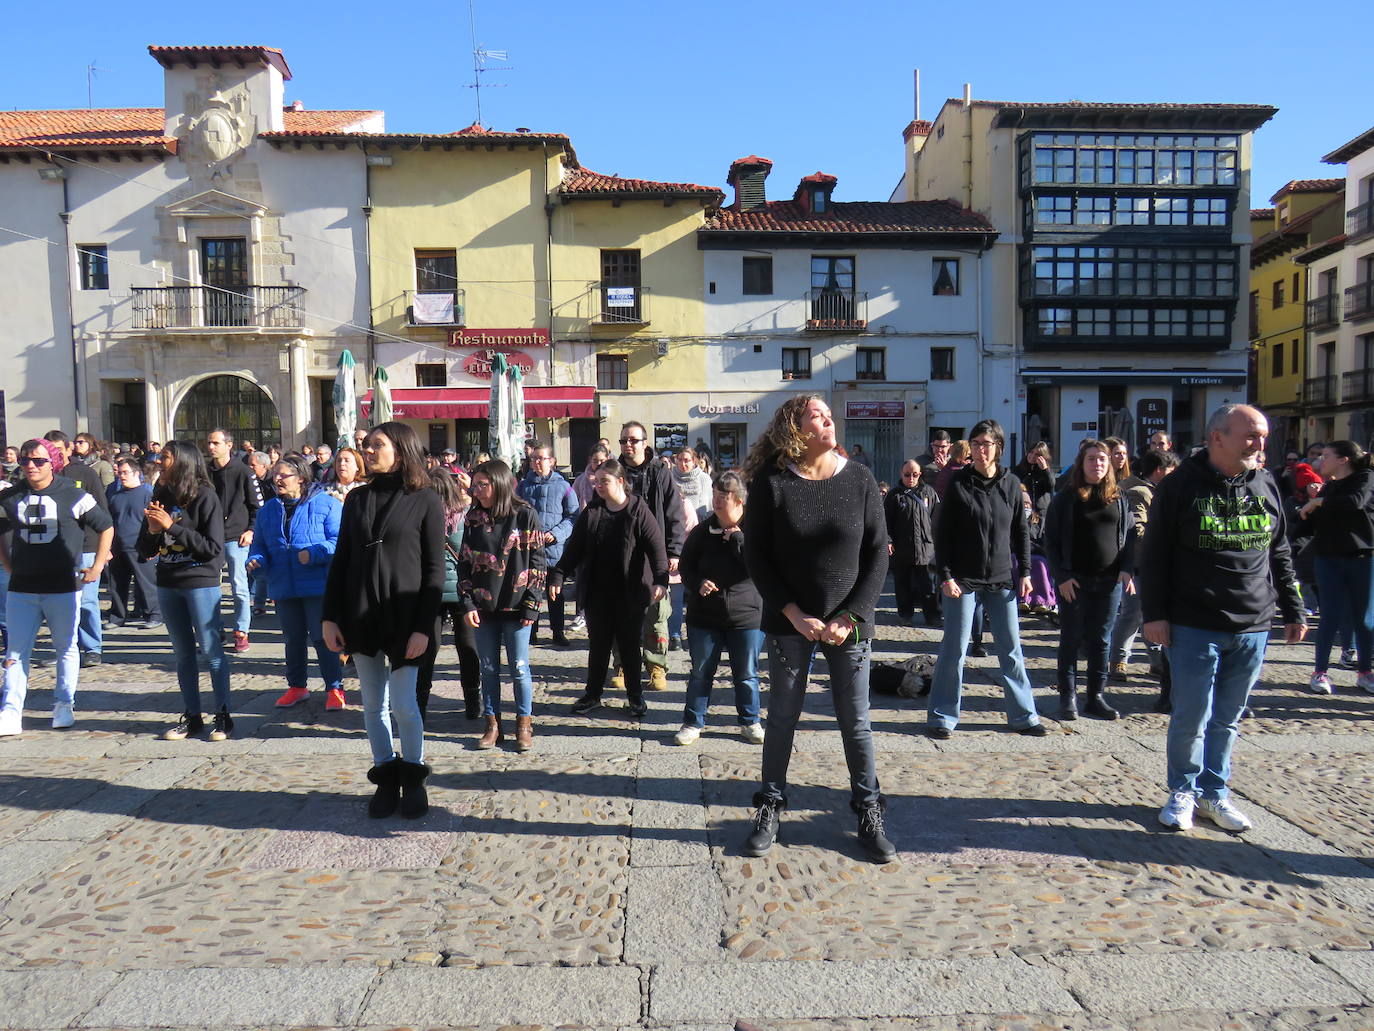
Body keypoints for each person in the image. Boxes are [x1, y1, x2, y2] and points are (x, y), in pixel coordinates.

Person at [740, 395, 894, 863]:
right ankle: (769, 805)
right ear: (796, 429)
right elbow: (756, 556)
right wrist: (791, 612)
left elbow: (877, 552)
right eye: (817, 416)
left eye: (829, 415)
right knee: (782, 718)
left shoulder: (860, 479)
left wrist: (850, 617)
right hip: (791, 623)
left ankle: (869, 810)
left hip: (849, 624)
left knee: (856, 721)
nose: (828, 420)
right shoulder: (773, 484)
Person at [1141, 404, 1305, 833]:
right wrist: (1154, 615)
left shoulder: (1266, 482)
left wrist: (1293, 606)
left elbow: (1280, 551)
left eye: (1263, 436)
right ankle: (1183, 790)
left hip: (1253, 624)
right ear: (1218, 436)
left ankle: (1215, 794)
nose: (1260, 444)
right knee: (1191, 716)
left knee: (1228, 718)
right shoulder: (1179, 487)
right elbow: (1154, 556)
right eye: (1250, 435)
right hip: (1195, 622)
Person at [322, 422, 444, 820]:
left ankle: (414, 777)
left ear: (400, 449)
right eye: (367, 446)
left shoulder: (426, 499)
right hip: (361, 614)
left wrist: (424, 627)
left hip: (408, 618)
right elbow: (341, 562)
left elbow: (434, 570)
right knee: (373, 704)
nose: (368, 451)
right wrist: (329, 617)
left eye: (377, 445)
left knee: (405, 704)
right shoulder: (356, 498)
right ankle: (387, 776)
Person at [925, 419, 1047, 739]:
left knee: (1011, 650)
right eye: (976, 443)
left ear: (999, 448)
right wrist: (946, 575)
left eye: (987, 443)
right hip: (962, 578)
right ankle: (943, 716)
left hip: (1002, 577)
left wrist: (1026, 573)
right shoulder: (958, 483)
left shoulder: (1011, 484)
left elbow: (1021, 530)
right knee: (955, 648)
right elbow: (943, 533)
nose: (981, 449)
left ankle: (1023, 715)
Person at [0, 439, 113, 737]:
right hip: (22, 587)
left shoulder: (73, 493)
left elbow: (105, 525)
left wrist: (98, 565)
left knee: (65, 647)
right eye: (25, 461)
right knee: (15, 649)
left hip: (64, 585)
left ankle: (64, 703)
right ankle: (10, 710)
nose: (31, 466)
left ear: (52, 462)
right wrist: (8, 564)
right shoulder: (10, 496)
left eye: (38, 461)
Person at [548, 460, 667, 719]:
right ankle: (593, 694)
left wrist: (661, 579)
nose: (599, 486)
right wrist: (558, 575)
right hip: (597, 593)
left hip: (631, 592)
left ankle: (635, 697)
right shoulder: (592, 511)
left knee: (628, 646)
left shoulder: (637, 509)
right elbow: (574, 549)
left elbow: (656, 547)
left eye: (605, 481)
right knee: (599, 646)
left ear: (620, 481)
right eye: (596, 481)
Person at [137, 442, 232, 741]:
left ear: (182, 463)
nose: (158, 462)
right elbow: (144, 549)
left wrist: (172, 527)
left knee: (211, 650)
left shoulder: (205, 496)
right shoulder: (159, 496)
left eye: (164, 457)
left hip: (200, 580)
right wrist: (154, 532)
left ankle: (223, 715)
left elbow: (213, 550)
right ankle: (192, 717)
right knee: (182, 654)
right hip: (167, 580)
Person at [1043, 440, 1136, 721]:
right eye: (1092, 459)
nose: (1097, 463)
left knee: (1101, 641)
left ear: (1109, 465)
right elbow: (1052, 542)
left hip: (1109, 581)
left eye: (1102, 459)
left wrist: (1127, 568)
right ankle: (1068, 697)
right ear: (1081, 464)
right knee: (1071, 639)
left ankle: (1096, 696)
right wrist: (1062, 577)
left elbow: (1130, 537)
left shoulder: (1120, 497)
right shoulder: (1066, 498)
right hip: (1075, 581)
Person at [247, 455, 347, 712]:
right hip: (283, 585)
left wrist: (314, 552)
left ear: (301, 477)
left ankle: (334, 687)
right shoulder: (268, 510)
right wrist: (256, 560)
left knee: (323, 639)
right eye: (275, 475)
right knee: (292, 639)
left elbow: (340, 541)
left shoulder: (326, 504)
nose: (277, 479)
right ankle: (297, 686)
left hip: (317, 585)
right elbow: (259, 545)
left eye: (283, 475)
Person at [459, 460, 547, 750]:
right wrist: (468, 602)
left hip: (517, 606)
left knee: (519, 668)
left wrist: (533, 603)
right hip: (484, 607)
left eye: (482, 484)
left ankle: (524, 723)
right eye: (475, 484)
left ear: (498, 484)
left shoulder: (524, 515)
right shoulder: (474, 517)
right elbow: (465, 563)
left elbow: (537, 562)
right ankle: (492, 724)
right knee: (488, 669)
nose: (476, 490)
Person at [674, 470, 765, 745]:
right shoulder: (702, 531)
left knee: (747, 673)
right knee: (700, 672)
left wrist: (737, 540)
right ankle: (692, 722)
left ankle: (750, 721)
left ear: (739, 501)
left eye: (723, 496)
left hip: (747, 616)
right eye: (715, 495)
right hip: (705, 617)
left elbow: (760, 568)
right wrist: (698, 583)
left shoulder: (756, 531)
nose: (717, 501)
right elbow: (686, 568)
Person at [1299, 441, 1374, 694]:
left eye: (1326, 455)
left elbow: (1355, 501)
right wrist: (1307, 508)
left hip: (1362, 557)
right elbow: (1311, 524)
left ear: (1343, 460)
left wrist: (1318, 503)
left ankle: (1365, 671)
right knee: (1329, 615)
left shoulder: (1365, 477)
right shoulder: (1329, 487)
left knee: (1365, 618)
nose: (1320, 460)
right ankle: (1320, 672)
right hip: (1328, 558)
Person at [616, 422, 684, 691]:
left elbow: (673, 513)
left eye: (633, 440)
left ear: (644, 442)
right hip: (621, 553)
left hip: (653, 554)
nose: (628, 445)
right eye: (623, 441)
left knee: (656, 613)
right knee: (621, 613)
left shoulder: (660, 472)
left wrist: (674, 550)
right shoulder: (614, 471)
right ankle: (621, 664)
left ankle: (656, 666)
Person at [415, 466, 481, 723]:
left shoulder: (457, 517)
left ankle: (469, 701)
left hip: (455, 593)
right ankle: (466, 703)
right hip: (440, 593)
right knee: (435, 649)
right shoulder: (463, 517)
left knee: (462, 649)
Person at [1109, 450, 1179, 691]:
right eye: (1171, 472)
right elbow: (1138, 530)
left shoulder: (1151, 489)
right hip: (1140, 563)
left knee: (1153, 613)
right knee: (1133, 613)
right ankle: (1118, 660)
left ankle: (1157, 660)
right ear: (1160, 470)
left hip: (1151, 563)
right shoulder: (1139, 491)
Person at [45, 431, 111, 667]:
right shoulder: (45, 476)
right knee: (59, 602)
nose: (54, 455)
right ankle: (66, 647)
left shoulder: (85, 473)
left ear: (68, 448)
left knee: (86, 601)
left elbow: (103, 511)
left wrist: (107, 549)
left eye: (58, 450)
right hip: (55, 547)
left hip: (86, 546)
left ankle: (93, 648)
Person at [516, 444, 579, 647]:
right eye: (534, 458)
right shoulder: (523, 486)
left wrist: (556, 534)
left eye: (541, 458)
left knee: (555, 592)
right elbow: (514, 512)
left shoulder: (563, 486)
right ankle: (530, 630)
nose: (537, 462)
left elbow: (573, 516)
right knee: (530, 590)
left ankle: (557, 631)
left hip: (553, 549)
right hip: (528, 549)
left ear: (552, 461)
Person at [206, 428, 261, 652]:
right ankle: (214, 630)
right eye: (209, 443)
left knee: (239, 586)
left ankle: (241, 631)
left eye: (215, 443)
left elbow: (257, 506)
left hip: (236, 538)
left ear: (229, 445)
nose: (211, 447)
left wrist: (251, 530)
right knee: (210, 588)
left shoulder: (243, 472)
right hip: (210, 537)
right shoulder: (205, 473)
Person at [104, 457, 160, 630]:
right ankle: (117, 616)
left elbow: (154, 520)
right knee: (117, 584)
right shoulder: (114, 495)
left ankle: (154, 615)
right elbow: (108, 521)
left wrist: (154, 545)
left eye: (125, 472)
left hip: (141, 547)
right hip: (117, 547)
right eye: (119, 472)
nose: (121, 476)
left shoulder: (147, 493)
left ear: (137, 473)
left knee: (146, 583)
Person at [885, 460, 940, 627]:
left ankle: (932, 616)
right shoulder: (894, 495)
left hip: (925, 548)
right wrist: (888, 541)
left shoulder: (929, 493)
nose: (911, 478)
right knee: (903, 585)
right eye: (907, 474)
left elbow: (937, 520)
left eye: (915, 474)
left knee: (928, 586)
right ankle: (905, 615)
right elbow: (885, 522)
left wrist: (937, 543)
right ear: (901, 474)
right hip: (902, 548)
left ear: (920, 474)